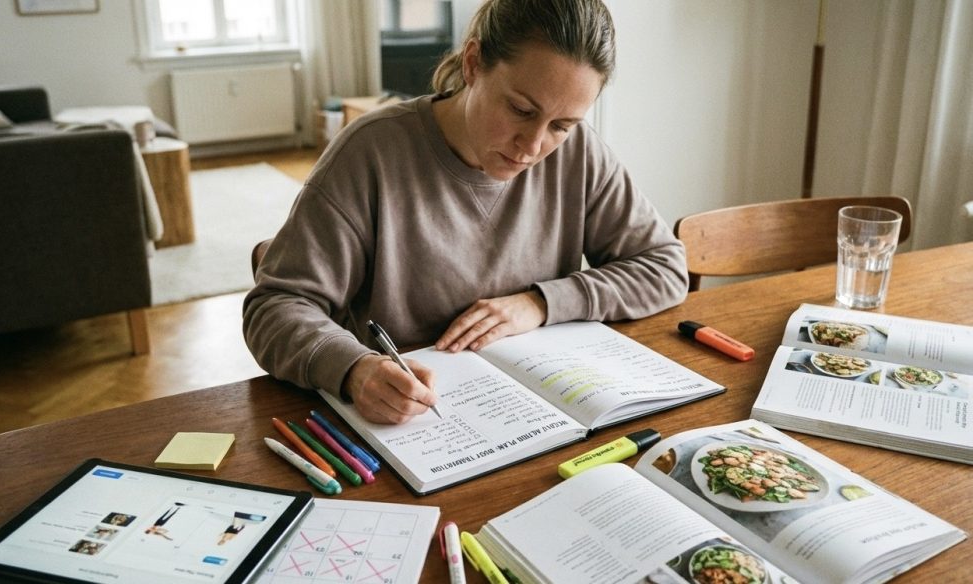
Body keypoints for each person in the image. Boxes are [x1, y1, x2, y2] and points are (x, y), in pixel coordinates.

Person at [244, 0, 688, 425]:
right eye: (520, 109)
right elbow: (276, 306)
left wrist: (540, 303)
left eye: (561, 125)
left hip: (537, 413)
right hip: (406, 425)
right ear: (474, 63)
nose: (533, 148)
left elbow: (665, 268)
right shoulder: (370, 153)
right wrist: (354, 368)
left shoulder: (580, 153)